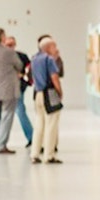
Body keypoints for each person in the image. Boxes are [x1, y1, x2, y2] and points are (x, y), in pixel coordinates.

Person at [0, 27, 24, 154]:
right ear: (2, 37)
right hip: (8, 87)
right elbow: (19, 65)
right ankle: (1, 145)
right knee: (7, 116)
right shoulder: (9, 52)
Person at [30, 36, 63, 165]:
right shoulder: (49, 60)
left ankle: (34, 153)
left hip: (37, 94)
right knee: (51, 124)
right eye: (54, 46)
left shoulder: (34, 59)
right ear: (48, 47)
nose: (56, 48)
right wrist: (60, 91)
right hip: (49, 93)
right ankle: (49, 155)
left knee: (39, 125)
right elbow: (54, 77)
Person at [7, 35, 34, 147]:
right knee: (5, 114)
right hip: (5, 89)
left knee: (20, 111)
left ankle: (32, 137)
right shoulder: (2, 57)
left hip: (18, 88)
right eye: (8, 45)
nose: (10, 47)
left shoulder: (22, 56)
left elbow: (28, 70)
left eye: (12, 44)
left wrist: (24, 79)